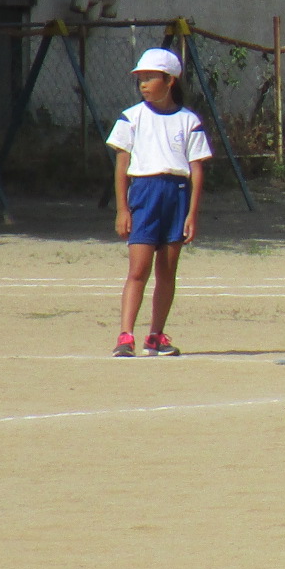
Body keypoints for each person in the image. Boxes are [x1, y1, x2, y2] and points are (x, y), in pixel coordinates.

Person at [108, 47, 211, 357]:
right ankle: (126, 335)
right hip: (144, 194)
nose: (143, 84)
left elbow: (196, 170)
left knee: (167, 271)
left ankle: (155, 335)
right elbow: (121, 166)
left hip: (175, 195)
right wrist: (123, 208)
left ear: (169, 80)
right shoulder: (131, 117)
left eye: (150, 78)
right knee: (138, 269)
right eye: (140, 78)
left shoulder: (188, 120)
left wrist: (191, 214)